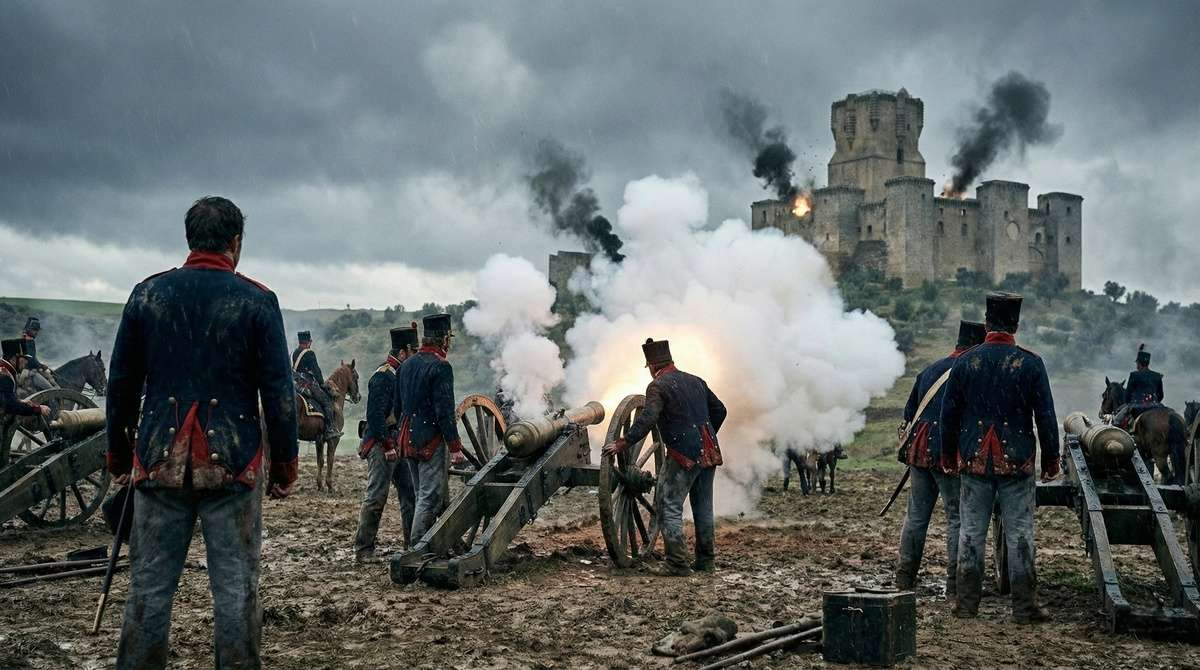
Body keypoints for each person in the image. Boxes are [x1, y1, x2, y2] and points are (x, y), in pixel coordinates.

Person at [106, 196, 299, 669]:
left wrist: (119, 457)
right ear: (236, 242)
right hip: (234, 465)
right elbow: (279, 394)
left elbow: (121, 386)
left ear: (190, 239)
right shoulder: (258, 301)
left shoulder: (147, 294)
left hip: (157, 461)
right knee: (236, 591)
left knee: (149, 588)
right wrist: (284, 466)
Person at [940, 292, 1059, 624]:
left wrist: (948, 455)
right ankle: (1024, 607)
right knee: (1020, 532)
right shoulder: (1031, 363)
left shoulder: (966, 362)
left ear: (987, 323)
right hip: (1017, 460)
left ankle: (966, 605)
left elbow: (949, 415)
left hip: (973, 459)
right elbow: (1045, 416)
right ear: (1016, 326)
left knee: (970, 531)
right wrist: (1052, 460)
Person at [602, 338, 727, 576]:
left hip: (683, 455)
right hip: (709, 452)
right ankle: (706, 561)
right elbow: (720, 410)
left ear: (651, 366)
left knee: (668, 504)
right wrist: (705, 436)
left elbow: (648, 418)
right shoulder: (696, 381)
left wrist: (623, 442)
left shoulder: (657, 386)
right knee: (703, 508)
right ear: (670, 361)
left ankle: (677, 563)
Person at [894, 320, 985, 595]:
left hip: (920, 452)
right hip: (950, 454)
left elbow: (909, 413)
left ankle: (904, 579)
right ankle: (954, 585)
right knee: (957, 519)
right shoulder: (971, 373)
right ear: (977, 346)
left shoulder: (929, 370)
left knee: (915, 518)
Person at [394, 313, 466, 544]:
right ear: (444, 339)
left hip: (406, 437)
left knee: (420, 495)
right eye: (448, 339)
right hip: (429, 441)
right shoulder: (441, 367)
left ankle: (426, 545)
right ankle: (417, 549)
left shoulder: (406, 365)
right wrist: (455, 447)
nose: (449, 343)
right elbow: (444, 411)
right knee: (429, 497)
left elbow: (398, 408)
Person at [354, 323, 419, 562]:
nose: (414, 356)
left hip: (398, 443)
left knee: (410, 494)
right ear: (402, 352)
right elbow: (375, 416)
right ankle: (364, 549)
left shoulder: (401, 374)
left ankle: (412, 544)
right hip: (382, 445)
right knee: (376, 496)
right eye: (412, 352)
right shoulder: (383, 376)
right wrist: (388, 445)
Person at [1, 338, 51, 463]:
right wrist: (38, 409)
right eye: (24, 359)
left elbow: (5, 399)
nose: (26, 362)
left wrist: (19, 401)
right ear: (14, 358)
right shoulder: (4, 375)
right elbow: (10, 406)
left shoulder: (4, 369)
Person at [292, 331, 340, 440]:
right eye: (310, 341)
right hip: (307, 384)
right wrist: (322, 384)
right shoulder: (310, 353)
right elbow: (316, 371)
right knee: (327, 402)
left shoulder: (294, 353)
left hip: (295, 383)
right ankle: (329, 430)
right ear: (308, 342)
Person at [1112, 344, 1165, 429]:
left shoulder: (1134, 375)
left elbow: (1127, 395)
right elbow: (1161, 395)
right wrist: (1154, 402)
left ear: (1139, 363)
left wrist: (1129, 403)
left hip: (1137, 407)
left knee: (1116, 421)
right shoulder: (1157, 376)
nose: (1136, 365)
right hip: (1155, 406)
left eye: (1137, 363)